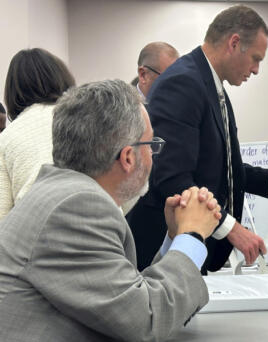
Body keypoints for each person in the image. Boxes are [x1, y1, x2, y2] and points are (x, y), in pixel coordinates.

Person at [0, 79, 221, 341]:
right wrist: (192, 236)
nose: (153, 156)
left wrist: (174, 239)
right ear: (128, 158)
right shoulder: (77, 207)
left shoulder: (63, 194)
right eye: (150, 145)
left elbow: (126, 297)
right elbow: (146, 320)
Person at [127, 5, 268, 272]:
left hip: (191, 251)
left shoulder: (210, 85)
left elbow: (218, 167)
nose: (256, 70)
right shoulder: (184, 82)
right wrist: (232, 228)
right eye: (256, 58)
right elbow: (172, 177)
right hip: (161, 254)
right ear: (234, 43)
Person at [0, 48, 75, 220]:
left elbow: (2, 216)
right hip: (99, 226)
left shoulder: (8, 137)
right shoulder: (90, 120)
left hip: (37, 232)